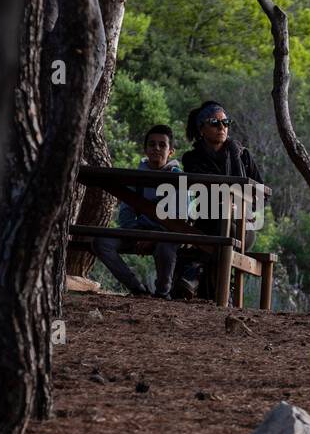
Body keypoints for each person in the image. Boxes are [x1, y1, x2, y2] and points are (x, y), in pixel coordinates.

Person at [175, 100, 267, 299]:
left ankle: (196, 273)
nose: (222, 128)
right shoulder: (192, 158)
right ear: (202, 129)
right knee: (220, 233)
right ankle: (223, 294)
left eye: (226, 123)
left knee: (227, 234)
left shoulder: (242, 154)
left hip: (243, 226)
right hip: (208, 222)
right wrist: (224, 201)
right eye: (215, 123)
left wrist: (234, 154)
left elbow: (261, 194)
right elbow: (200, 192)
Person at [92, 125, 183, 298]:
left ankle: (163, 293)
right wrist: (139, 234)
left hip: (166, 235)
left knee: (166, 248)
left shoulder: (179, 178)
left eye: (162, 145)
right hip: (137, 231)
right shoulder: (136, 176)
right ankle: (137, 289)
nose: (156, 148)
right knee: (102, 242)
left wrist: (154, 237)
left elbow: (180, 218)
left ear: (170, 151)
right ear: (145, 148)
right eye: (152, 144)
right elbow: (125, 213)